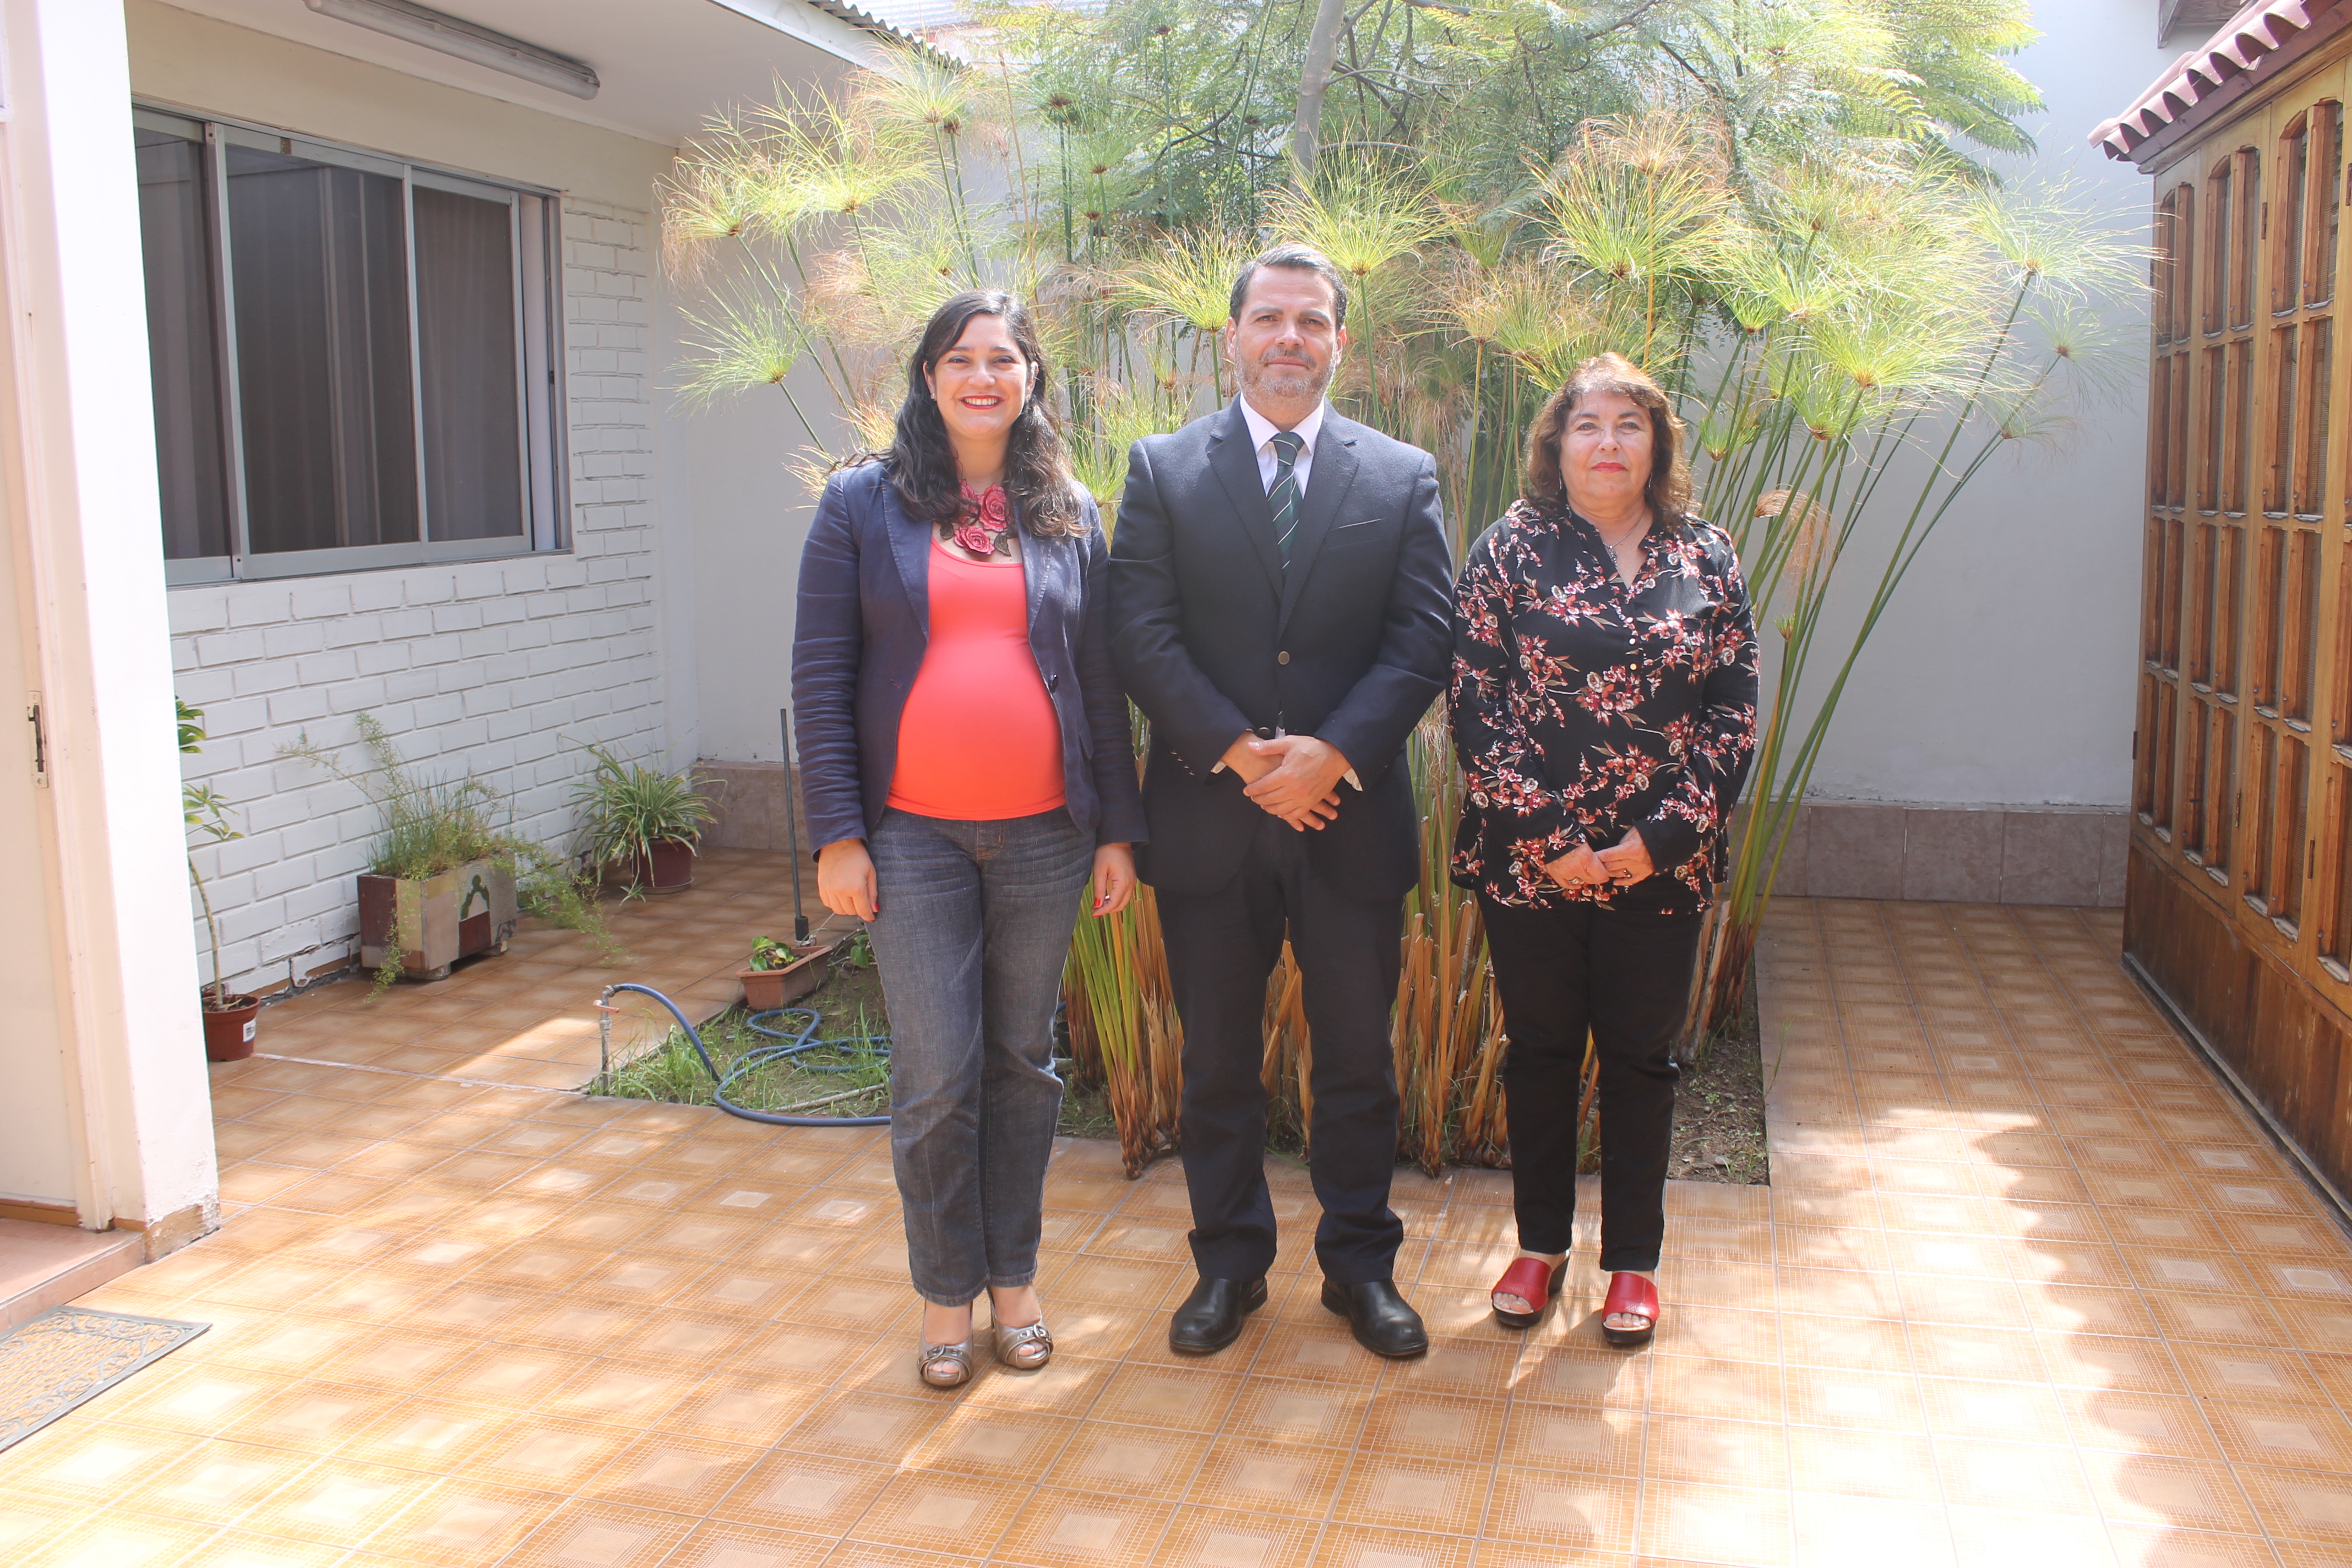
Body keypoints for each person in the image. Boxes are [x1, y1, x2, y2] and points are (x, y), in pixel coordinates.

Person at [792, 290, 1146, 1389]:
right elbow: (820, 674)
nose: (983, 376)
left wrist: (1117, 832)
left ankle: (1015, 1278)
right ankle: (946, 1291)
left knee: (1022, 1062)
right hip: (912, 838)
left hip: (1046, 833)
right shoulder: (862, 503)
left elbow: (1098, 683)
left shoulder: (1067, 509)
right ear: (929, 375)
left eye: (1003, 357)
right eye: (961, 358)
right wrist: (837, 832)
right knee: (938, 1070)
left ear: (1031, 375)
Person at [1110, 243, 1453, 1360]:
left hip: (1349, 824)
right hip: (1212, 821)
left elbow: (1423, 639)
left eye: (1312, 320)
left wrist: (1332, 753)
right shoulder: (1162, 469)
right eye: (1269, 318)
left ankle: (1361, 1268)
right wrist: (1246, 755)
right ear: (1233, 336)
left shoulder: (1401, 475)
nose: (1290, 337)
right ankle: (1229, 1267)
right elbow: (1141, 633)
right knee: (1217, 1060)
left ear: (1340, 341)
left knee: (1358, 1057)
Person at [1449, 351, 1758, 1349]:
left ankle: (1633, 1264)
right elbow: (1475, 701)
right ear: (1558, 443)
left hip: (1659, 867)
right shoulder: (1510, 548)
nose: (1609, 443)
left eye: (1630, 424)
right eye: (1589, 424)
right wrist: (1548, 837)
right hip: (1530, 861)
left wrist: (1656, 841)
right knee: (1539, 1051)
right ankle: (1539, 1247)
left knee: (1640, 1059)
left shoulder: (1706, 555)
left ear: (1657, 443)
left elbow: (1733, 712)